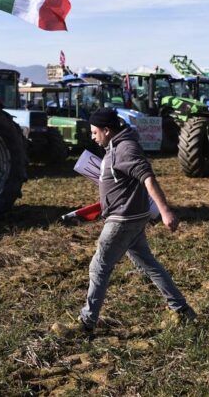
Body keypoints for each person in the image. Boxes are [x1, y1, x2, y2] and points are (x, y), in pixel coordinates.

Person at [55, 107, 196, 336]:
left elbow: (148, 178)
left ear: (107, 130)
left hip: (123, 219)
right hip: (129, 216)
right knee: (148, 264)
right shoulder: (116, 146)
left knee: (99, 266)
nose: (92, 136)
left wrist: (165, 211)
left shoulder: (125, 149)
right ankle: (181, 309)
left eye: (94, 132)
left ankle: (86, 324)